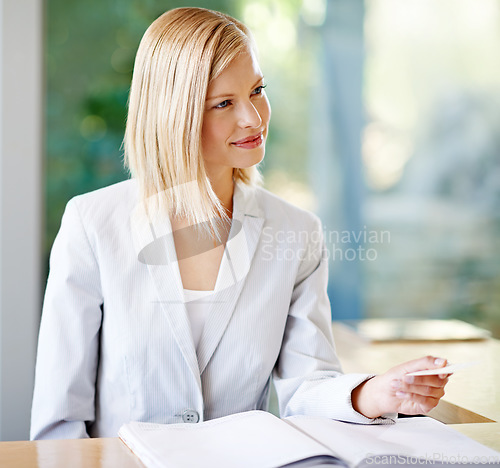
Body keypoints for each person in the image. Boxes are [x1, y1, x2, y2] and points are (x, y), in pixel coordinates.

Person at [30, 7, 449, 440]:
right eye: (224, 103)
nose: (253, 117)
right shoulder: (92, 224)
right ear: (175, 113)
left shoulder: (297, 232)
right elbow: (59, 420)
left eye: (257, 90)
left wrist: (375, 393)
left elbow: (306, 386)